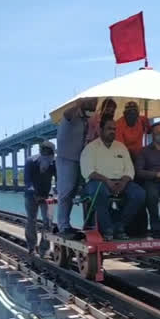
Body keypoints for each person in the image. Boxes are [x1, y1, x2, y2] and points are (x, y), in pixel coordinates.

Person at [80, 118, 145, 240]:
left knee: (139, 193)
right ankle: (108, 229)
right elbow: (88, 172)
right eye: (109, 129)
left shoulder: (121, 147)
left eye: (114, 129)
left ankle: (120, 226)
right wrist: (107, 181)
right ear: (100, 130)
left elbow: (130, 170)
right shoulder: (91, 148)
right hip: (98, 181)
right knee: (100, 192)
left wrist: (123, 182)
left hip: (121, 181)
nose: (112, 132)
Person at [56, 98, 97, 239]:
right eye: (92, 104)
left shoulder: (85, 120)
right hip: (66, 159)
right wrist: (78, 105)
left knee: (78, 193)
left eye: (95, 105)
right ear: (84, 105)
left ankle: (83, 224)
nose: (94, 107)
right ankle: (63, 226)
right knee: (65, 193)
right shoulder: (71, 116)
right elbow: (67, 113)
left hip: (80, 160)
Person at [23, 141, 56, 254]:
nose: (47, 161)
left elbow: (58, 180)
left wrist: (60, 193)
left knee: (48, 221)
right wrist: (34, 193)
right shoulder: (30, 161)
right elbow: (27, 181)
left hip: (47, 193)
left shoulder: (54, 163)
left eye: (49, 157)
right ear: (41, 155)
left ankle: (44, 249)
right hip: (31, 194)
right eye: (44, 156)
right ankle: (31, 246)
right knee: (31, 220)